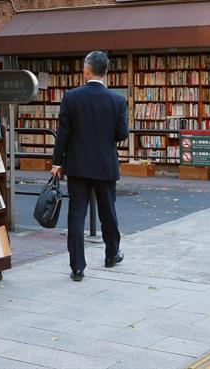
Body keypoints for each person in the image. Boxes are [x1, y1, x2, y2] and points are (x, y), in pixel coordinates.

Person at [51, 51, 129, 282]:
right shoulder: (117, 100)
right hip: (105, 164)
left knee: (76, 215)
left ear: (86, 70)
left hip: (77, 165)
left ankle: (77, 267)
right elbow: (122, 133)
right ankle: (111, 254)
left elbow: (62, 133)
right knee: (108, 212)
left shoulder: (71, 97)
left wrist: (57, 162)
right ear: (106, 72)